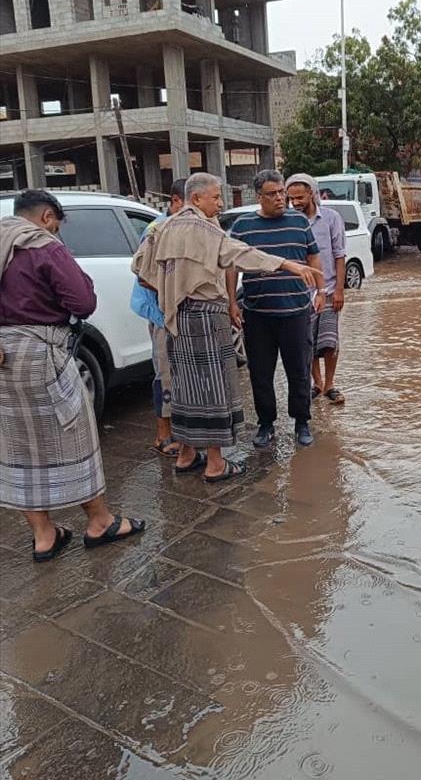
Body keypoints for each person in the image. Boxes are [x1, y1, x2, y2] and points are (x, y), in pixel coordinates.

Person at [132, 173, 321, 482]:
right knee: (214, 389)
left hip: (176, 320)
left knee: (183, 388)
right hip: (207, 317)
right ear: (196, 199)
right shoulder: (205, 229)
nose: (221, 204)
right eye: (216, 197)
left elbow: (141, 272)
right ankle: (216, 463)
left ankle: (186, 455)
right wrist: (286, 264)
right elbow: (239, 255)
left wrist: (174, 288)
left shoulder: (161, 228)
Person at [0, 190, 145, 562]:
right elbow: (83, 303)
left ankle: (44, 535)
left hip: (2, 359)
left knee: (18, 445)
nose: (56, 233)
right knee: (75, 434)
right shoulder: (44, 247)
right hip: (41, 353)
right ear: (47, 217)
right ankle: (100, 522)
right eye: (57, 227)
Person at [227, 169, 323, 449]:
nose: (280, 198)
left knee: (299, 371)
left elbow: (313, 256)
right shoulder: (243, 226)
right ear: (259, 197)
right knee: (260, 373)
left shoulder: (299, 221)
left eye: (282, 192)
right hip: (258, 314)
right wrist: (232, 301)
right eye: (273, 194)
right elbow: (232, 266)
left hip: (296, 311)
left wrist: (321, 291)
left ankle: (301, 422)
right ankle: (266, 424)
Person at [130, 178, 185, 457]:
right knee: (165, 374)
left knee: (183, 376)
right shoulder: (157, 231)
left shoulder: (184, 228)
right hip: (162, 314)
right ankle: (163, 435)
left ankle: (182, 431)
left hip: (181, 313)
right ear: (175, 201)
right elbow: (144, 277)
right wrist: (180, 290)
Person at [285, 173, 347, 405]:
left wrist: (339, 290)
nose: (295, 203)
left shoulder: (331, 218)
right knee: (306, 341)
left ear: (311, 193)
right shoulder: (289, 220)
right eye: (291, 198)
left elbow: (339, 255)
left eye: (300, 197)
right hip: (300, 292)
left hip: (328, 290)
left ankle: (330, 384)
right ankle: (317, 383)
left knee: (330, 341)